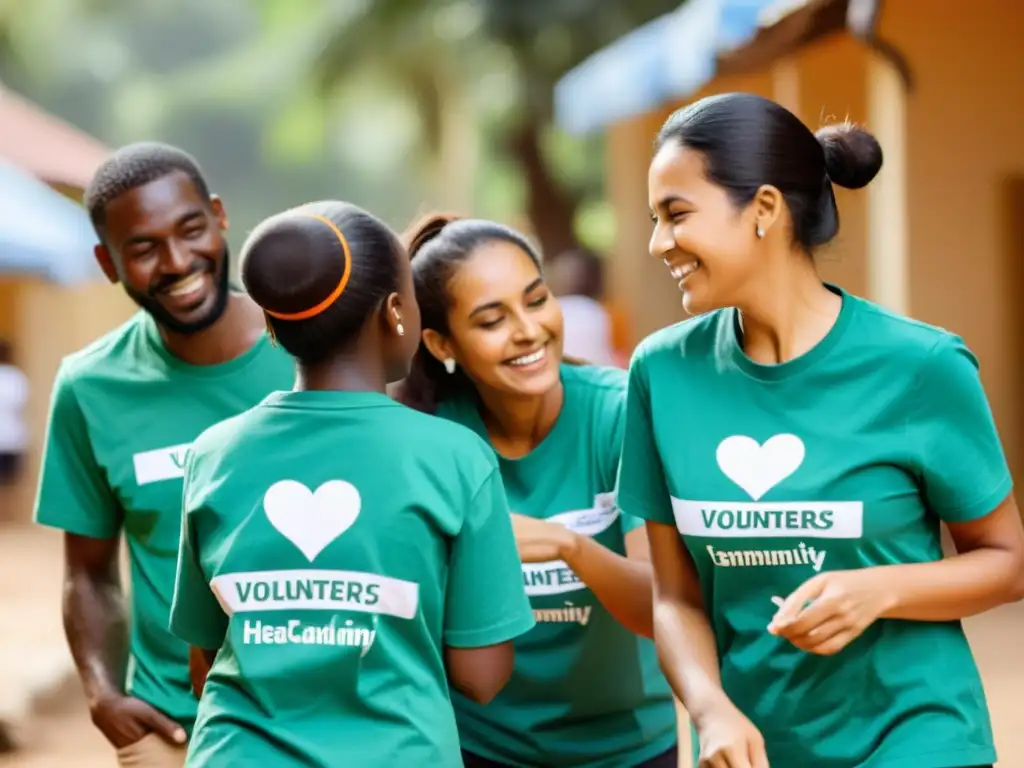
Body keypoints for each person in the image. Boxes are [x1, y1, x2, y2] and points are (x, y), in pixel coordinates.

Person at [618, 91, 1024, 768]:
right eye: (655, 219)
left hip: (917, 736)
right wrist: (710, 709)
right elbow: (675, 597)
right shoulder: (661, 374)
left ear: (766, 210)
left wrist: (881, 588)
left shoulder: (921, 367)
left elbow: (1008, 563)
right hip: (754, 749)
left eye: (676, 215)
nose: (660, 242)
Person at [169, 201, 535, 767]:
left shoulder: (212, 454)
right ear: (395, 311)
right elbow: (482, 675)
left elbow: (202, 666)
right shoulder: (456, 457)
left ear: (272, 323)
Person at [33, 142, 295, 768]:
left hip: (320, 722)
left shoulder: (312, 348)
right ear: (107, 262)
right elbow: (89, 573)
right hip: (175, 732)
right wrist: (101, 694)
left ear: (220, 217)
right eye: (144, 248)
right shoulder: (89, 387)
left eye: (190, 230)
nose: (178, 262)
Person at [397, 215, 677, 768]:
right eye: (491, 320)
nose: (527, 330)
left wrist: (568, 545)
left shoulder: (620, 413)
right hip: (481, 750)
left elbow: (663, 607)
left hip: (630, 750)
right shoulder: (431, 440)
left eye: (537, 299)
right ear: (441, 342)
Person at [0, 338, 28, 491]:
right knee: (11, 487)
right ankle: (11, 514)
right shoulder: (17, 376)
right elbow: (22, 403)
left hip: (8, 438)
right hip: (13, 438)